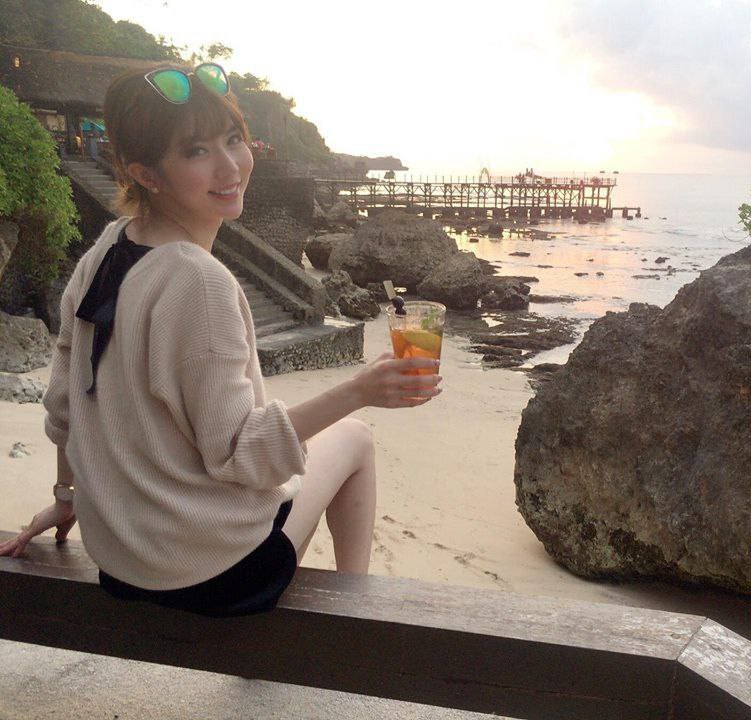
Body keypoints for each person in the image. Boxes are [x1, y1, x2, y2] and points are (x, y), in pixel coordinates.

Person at [0, 63, 442, 616]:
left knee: (312, 454)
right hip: (210, 574)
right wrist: (359, 390)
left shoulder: (107, 249)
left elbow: (64, 402)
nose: (230, 165)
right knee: (354, 438)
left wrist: (66, 499)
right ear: (146, 173)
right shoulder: (199, 282)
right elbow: (241, 453)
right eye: (196, 151)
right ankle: (355, 617)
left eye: (233, 138)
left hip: (122, 559)